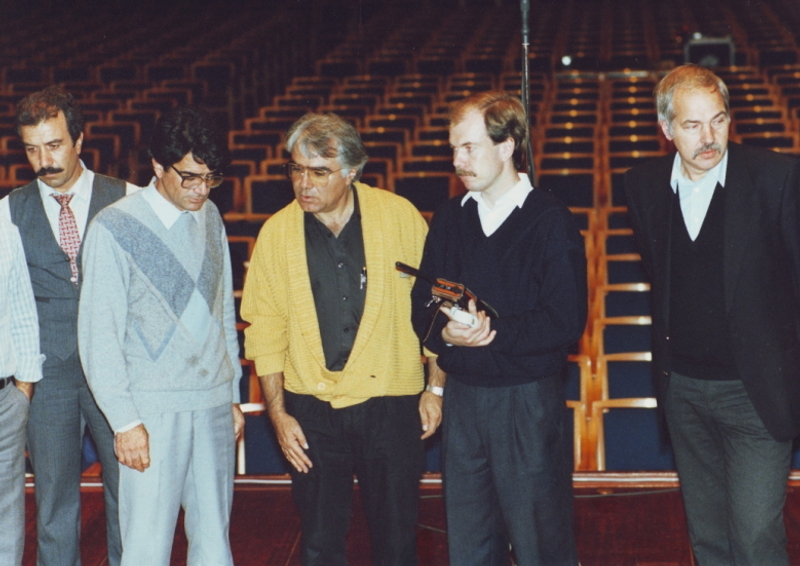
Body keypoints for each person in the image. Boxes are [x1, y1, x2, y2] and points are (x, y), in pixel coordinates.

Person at [240, 112, 435, 566]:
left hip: (391, 402)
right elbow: (264, 330)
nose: (303, 183)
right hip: (312, 410)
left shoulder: (400, 216)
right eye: (295, 169)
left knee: (398, 542)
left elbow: (432, 310)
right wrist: (279, 414)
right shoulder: (275, 234)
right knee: (320, 543)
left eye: (319, 172)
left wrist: (436, 388)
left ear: (351, 171)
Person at [624, 64, 800, 566]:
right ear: (666, 130)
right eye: (692, 125)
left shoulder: (777, 177)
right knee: (709, 539)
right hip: (683, 391)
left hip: (757, 393)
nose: (709, 137)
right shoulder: (641, 186)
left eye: (718, 120)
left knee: (754, 537)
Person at [410, 91, 586, 566]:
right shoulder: (449, 218)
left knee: (539, 544)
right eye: (452, 149)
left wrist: (492, 332)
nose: (456, 160)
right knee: (469, 544)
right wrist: (445, 335)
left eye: (468, 148)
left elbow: (566, 319)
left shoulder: (549, 220)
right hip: (464, 399)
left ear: (507, 146)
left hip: (526, 401)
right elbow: (422, 303)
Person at [77, 107, 243, 566]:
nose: (200, 190)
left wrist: (230, 394)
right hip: (150, 412)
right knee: (147, 547)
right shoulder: (113, 227)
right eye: (189, 177)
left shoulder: (210, 217)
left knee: (215, 542)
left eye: (211, 179)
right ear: (157, 165)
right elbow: (98, 336)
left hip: (210, 403)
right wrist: (125, 422)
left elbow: (220, 314)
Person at [0, 85, 138, 566]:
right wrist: (22, 384)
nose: (44, 159)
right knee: (54, 502)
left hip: (117, 374)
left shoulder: (129, 200)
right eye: (32, 148)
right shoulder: (7, 213)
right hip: (47, 376)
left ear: (80, 138)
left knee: (131, 495)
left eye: (54, 144)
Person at [0, 215, 44, 566]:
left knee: (6, 511)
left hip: (5, 400)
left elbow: (22, 312)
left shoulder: (4, 229)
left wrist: (24, 387)